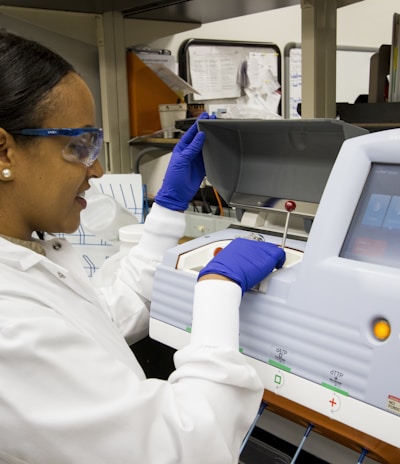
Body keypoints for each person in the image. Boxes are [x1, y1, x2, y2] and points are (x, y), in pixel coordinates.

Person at [0, 31, 286, 464]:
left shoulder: (27, 257)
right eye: (78, 146)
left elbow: (102, 317)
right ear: (4, 151)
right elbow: (187, 447)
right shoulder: (9, 328)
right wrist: (216, 290)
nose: (96, 168)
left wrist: (167, 213)